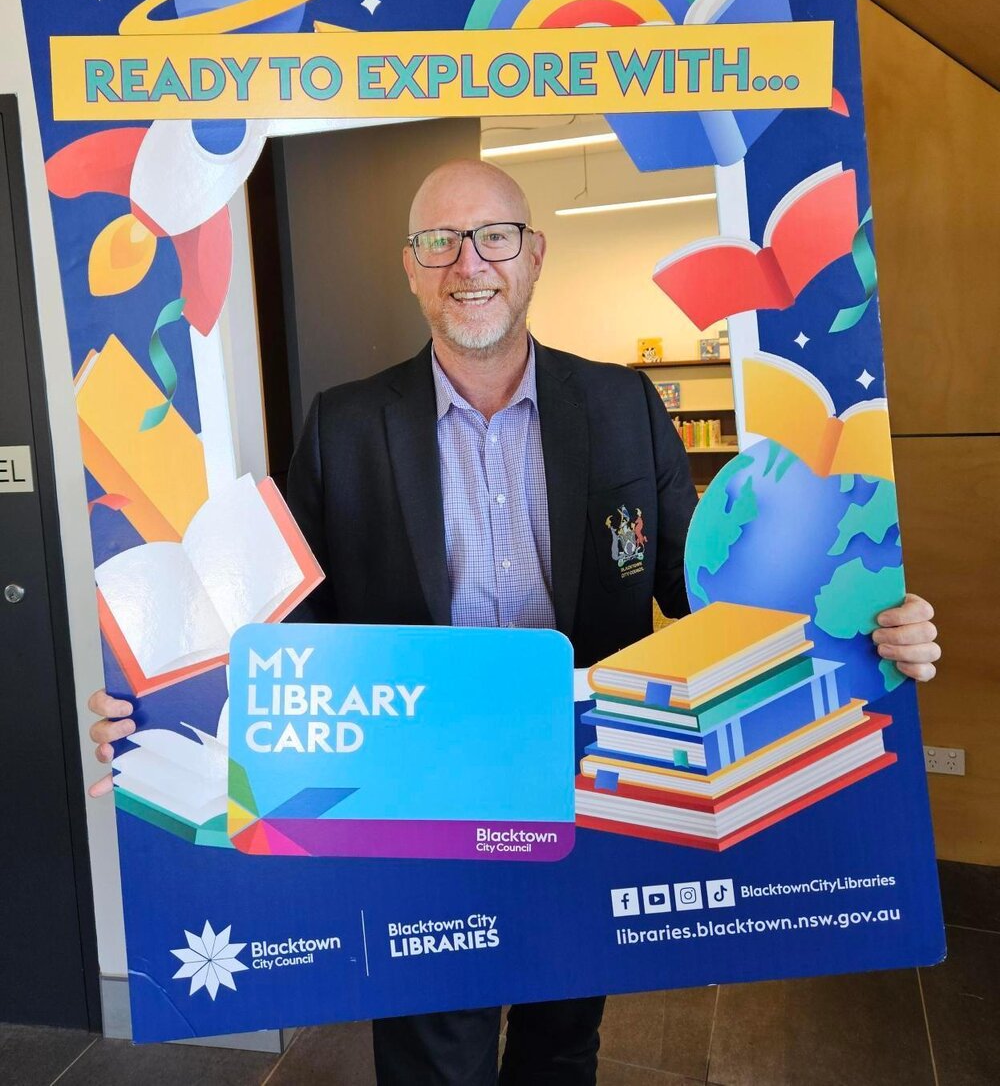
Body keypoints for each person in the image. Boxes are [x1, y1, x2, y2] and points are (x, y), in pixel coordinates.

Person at [88, 159, 942, 1085]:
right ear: (409, 268)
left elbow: (705, 598)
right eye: (438, 242)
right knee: (430, 1062)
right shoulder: (343, 428)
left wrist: (861, 637)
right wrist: (159, 709)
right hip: (416, 809)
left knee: (562, 1047)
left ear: (534, 255)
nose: (469, 263)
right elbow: (290, 634)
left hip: (585, 794)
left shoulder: (624, 406)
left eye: (493, 236)